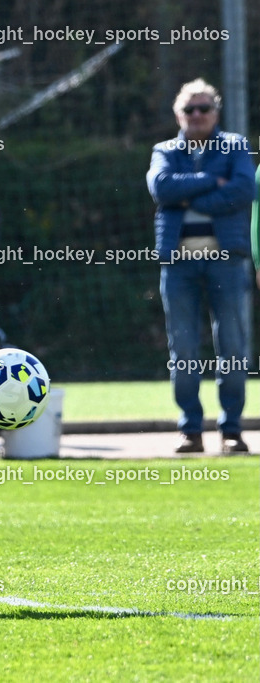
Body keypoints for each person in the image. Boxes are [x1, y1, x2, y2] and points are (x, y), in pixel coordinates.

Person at [147, 78, 255, 455]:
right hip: (178, 264)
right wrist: (211, 181)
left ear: (216, 112)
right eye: (189, 109)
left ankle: (231, 429)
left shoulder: (235, 146)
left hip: (227, 261)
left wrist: (189, 198)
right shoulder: (164, 150)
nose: (196, 115)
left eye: (204, 108)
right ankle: (190, 430)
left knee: (233, 345)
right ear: (178, 114)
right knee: (183, 347)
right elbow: (162, 188)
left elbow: (244, 190)